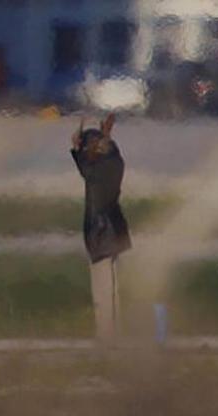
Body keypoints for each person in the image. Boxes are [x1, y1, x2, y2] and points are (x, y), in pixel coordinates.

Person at [71, 114, 132, 343]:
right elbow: (88, 168)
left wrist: (100, 141)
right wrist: (84, 148)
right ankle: (105, 336)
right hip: (100, 238)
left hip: (107, 237)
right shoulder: (103, 165)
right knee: (102, 293)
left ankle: (112, 337)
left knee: (109, 292)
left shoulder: (109, 166)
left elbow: (90, 169)